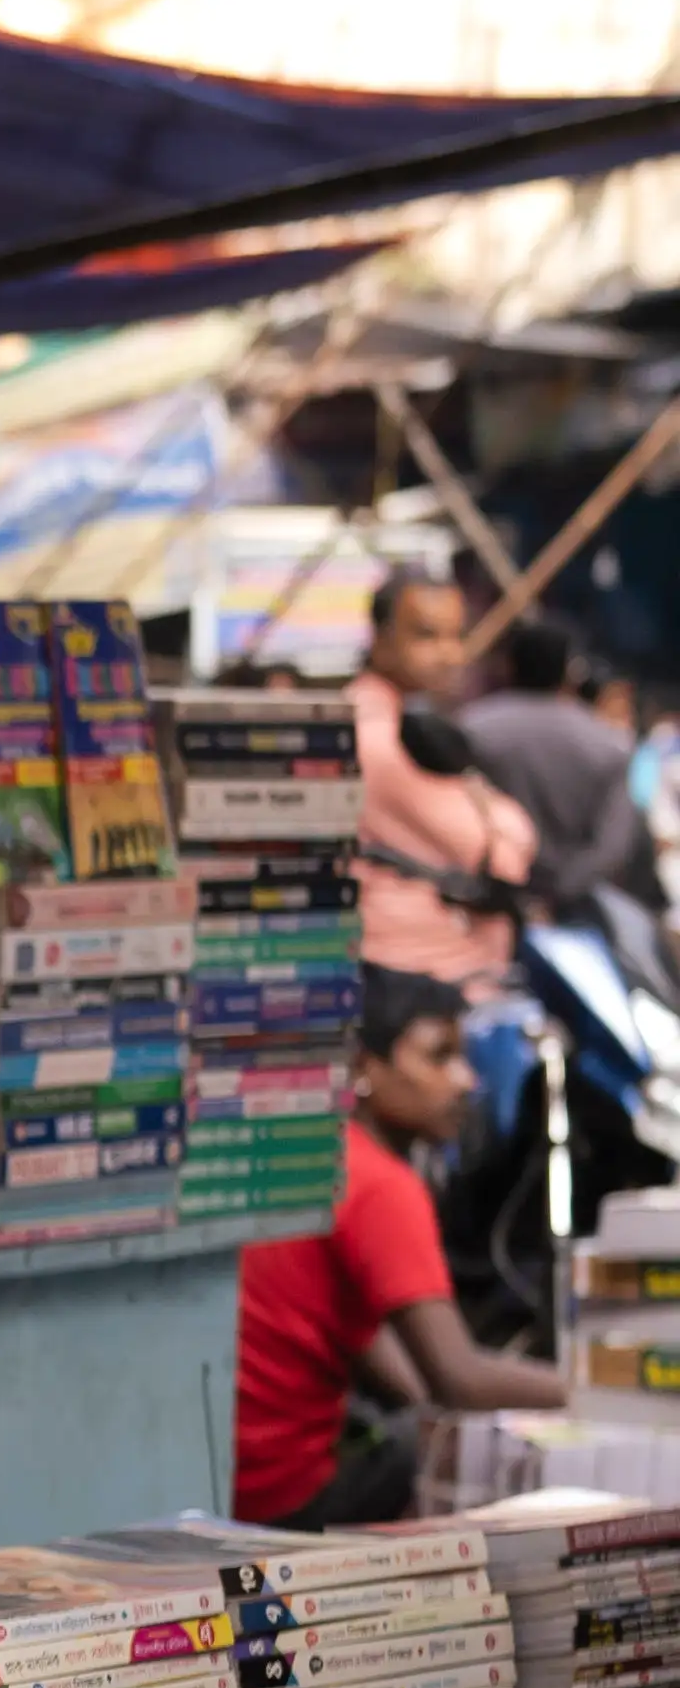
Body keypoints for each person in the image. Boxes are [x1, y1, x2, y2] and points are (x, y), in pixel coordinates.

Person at [232, 967, 558, 1524]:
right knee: (468, 1460)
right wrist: (602, 1393)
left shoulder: (314, 1156)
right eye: (437, 1057)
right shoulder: (379, 1184)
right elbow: (457, 1378)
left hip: (236, 1479)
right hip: (291, 1492)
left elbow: (390, 1366)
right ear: (364, 1066)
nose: (465, 1081)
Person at [353, 564, 533, 986]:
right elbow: (498, 846)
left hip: (431, 969)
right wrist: (495, 813)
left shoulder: (407, 722)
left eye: (456, 635)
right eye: (426, 635)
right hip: (415, 975)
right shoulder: (376, 734)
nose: (450, 654)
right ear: (380, 641)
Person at [461, 612, 650, 925]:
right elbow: (611, 847)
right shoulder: (609, 744)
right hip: (571, 913)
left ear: (509, 665)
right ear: (569, 673)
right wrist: (554, 895)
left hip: (482, 904)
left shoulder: (471, 728)